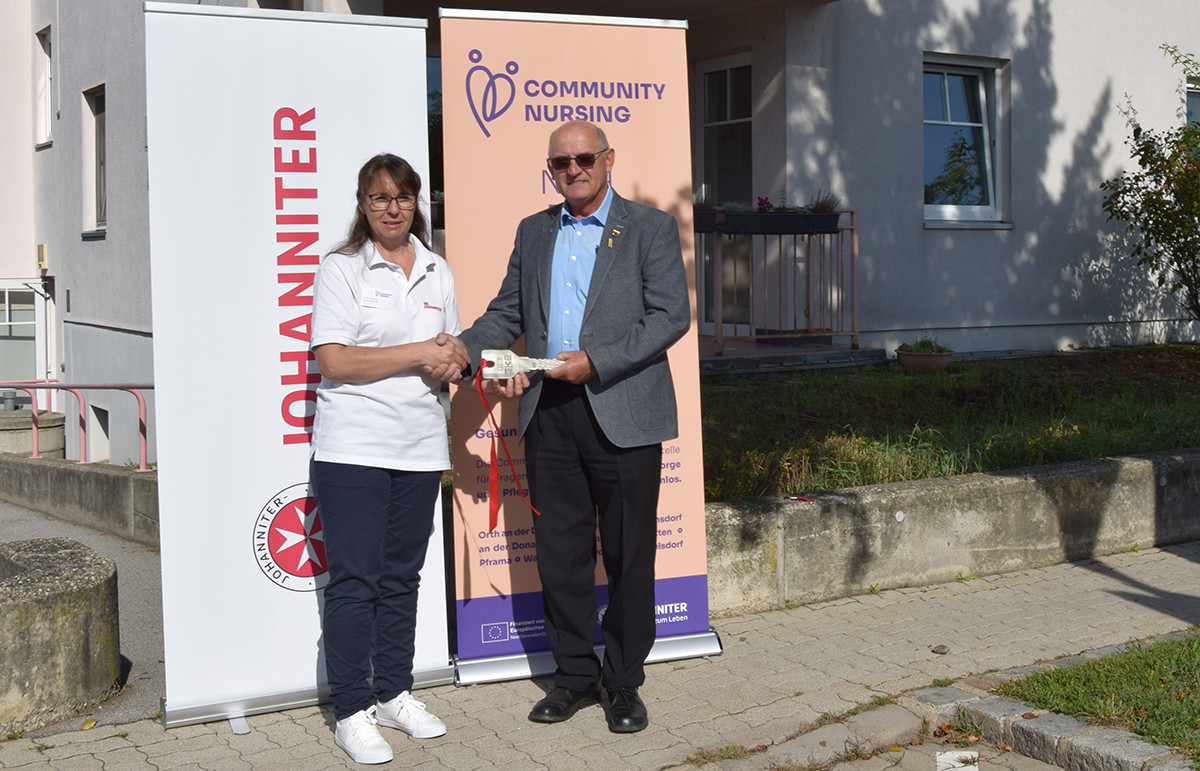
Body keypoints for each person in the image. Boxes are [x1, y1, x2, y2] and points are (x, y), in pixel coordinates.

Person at [458, 120, 690, 733]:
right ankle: (573, 678)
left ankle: (624, 682)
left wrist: (597, 361)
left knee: (629, 555)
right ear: (551, 170)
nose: (574, 170)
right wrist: (462, 351)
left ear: (609, 159)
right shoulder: (534, 230)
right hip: (548, 412)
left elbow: (671, 315)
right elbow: (507, 312)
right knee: (560, 555)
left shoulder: (649, 227)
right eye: (561, 163)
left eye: (585, 158)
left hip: (622, 411)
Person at [310, 153, 468, 765]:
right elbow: (335, 360)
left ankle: (395, 692)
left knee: (403, 577)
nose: (392, 208)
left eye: (402, 197)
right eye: (380, 197)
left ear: (415, 202)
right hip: (354, 448)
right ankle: (352, 709)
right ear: (363, 204)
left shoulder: (436, 267)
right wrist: (418, 353)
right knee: (356, 581)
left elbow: (449, 351)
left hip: (420, 446)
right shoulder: (342, 268)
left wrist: (460, 362)